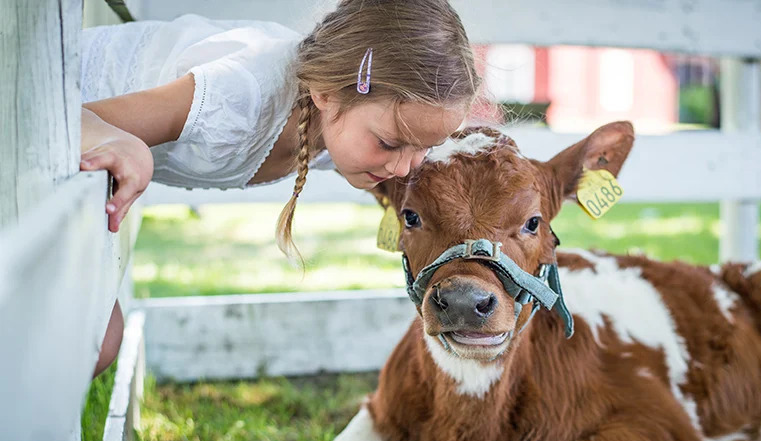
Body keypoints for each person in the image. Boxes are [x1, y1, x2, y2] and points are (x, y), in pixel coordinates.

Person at [80, 0, 482, 375]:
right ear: (326, 92)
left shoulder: (342, 126)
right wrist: (130, 145)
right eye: (390, 144)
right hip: (46, 97)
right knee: (98, 338)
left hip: (70, 170)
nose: (403, 167)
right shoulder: (240, 93)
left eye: (425, 148)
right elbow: (73, 119)